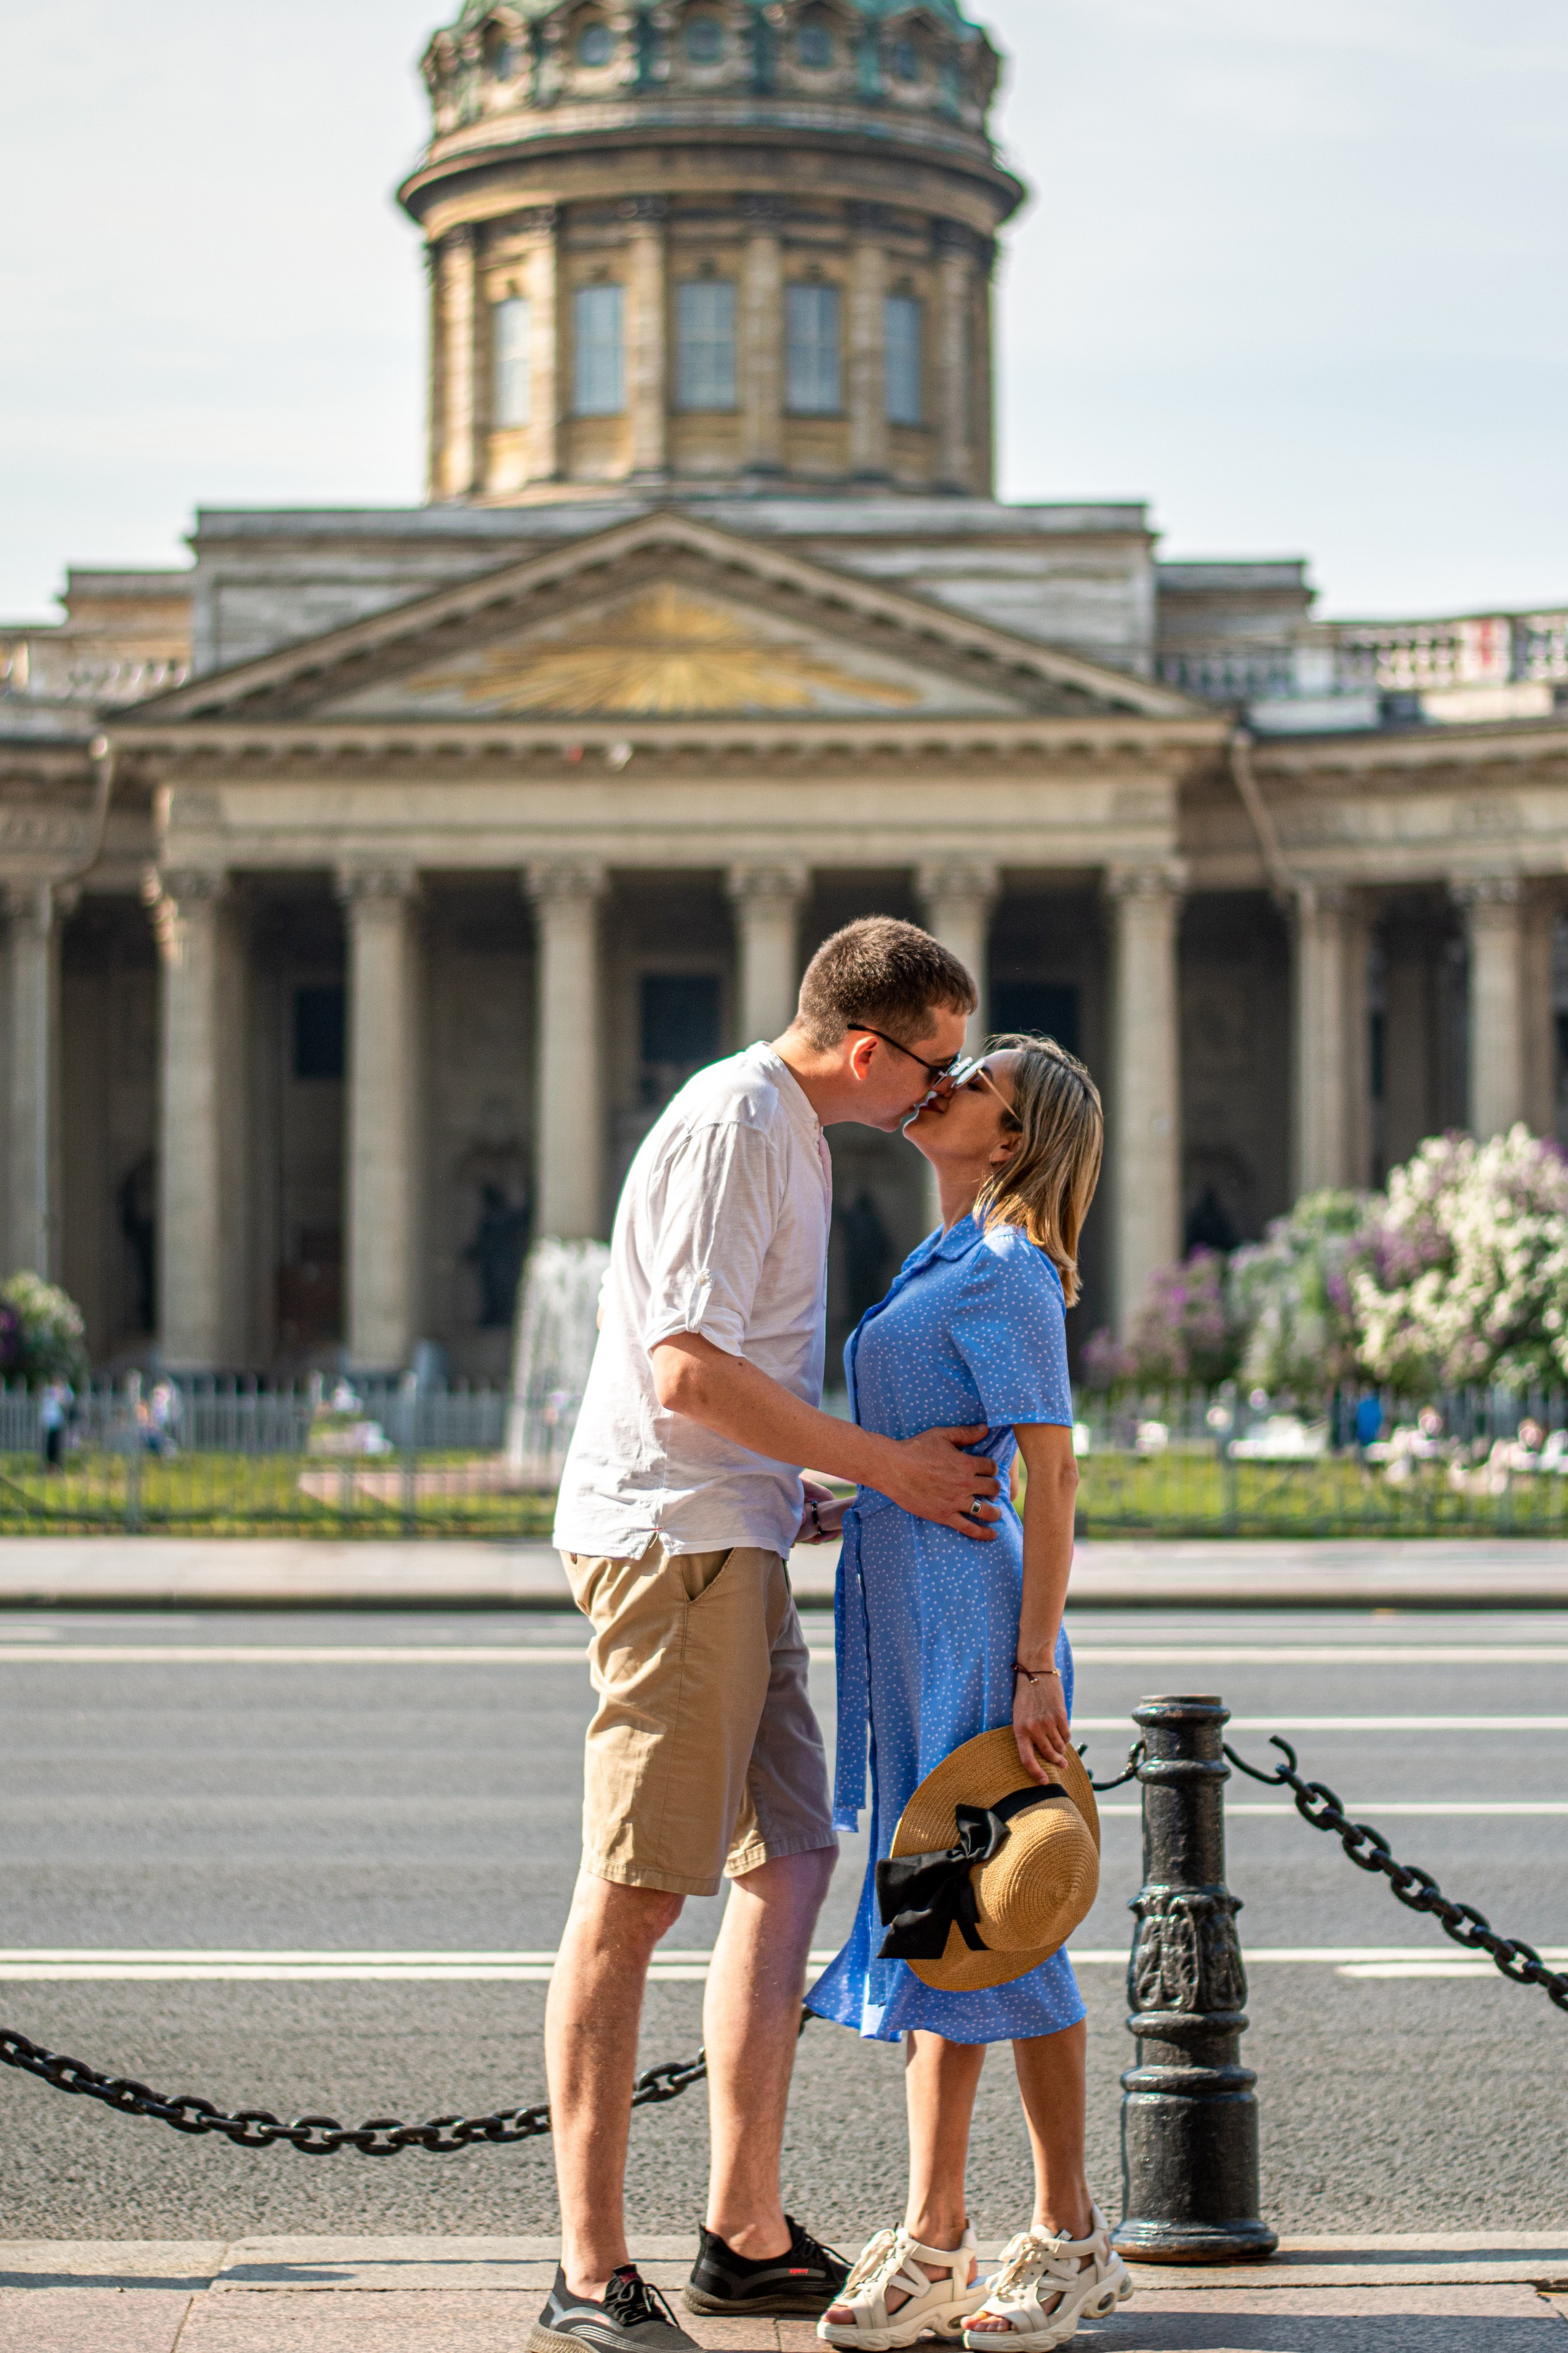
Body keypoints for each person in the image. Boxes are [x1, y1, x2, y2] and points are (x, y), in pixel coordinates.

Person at [538, 918, 1009, 2353]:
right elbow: (681, 1370)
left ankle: (741, 2233)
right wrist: (881, 1463)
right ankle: (585, 2269)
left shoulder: (792, 1131)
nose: (941, 1092)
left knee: (795, 1852)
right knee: (632, 1894)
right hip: (673, 1545)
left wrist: (789, 1484)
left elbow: (725, 1373)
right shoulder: (739, 1125)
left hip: (727, 1530)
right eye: (934, 1064)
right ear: (869, 1049)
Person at [810, 1035, 1133, 2353]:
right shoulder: (938, 1257)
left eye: (977, 1078)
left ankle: (1048, 2238)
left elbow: (1050, 1473)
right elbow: (933, 1440)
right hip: (915, 1605)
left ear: (1008, 1140)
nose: (942, 1082)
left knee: (987, 1913)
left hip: (973, 1623)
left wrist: (1032, 1658)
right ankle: (952, 2236)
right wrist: (850, 1492)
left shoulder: (1005, 1270)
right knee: (943, 1917)